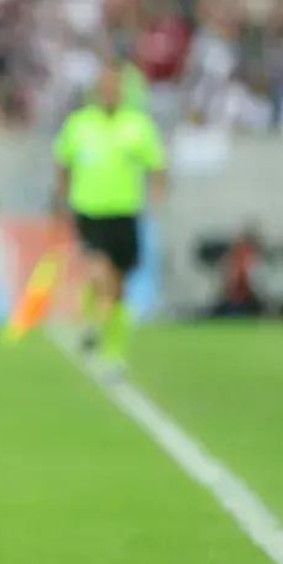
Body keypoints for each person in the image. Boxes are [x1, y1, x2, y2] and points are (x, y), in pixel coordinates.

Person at [53, 66, 166, 371]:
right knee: (98, 271)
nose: (109, 93)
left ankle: (112, 350)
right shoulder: (80, 125)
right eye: (104, 87)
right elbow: (63, 164)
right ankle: (93, 328)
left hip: (125, 212)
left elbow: (156, 164)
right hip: (89, 211)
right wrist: (62, 199)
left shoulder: (138, 126)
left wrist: (156, 195)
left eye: (114, 87)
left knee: (118, 285)